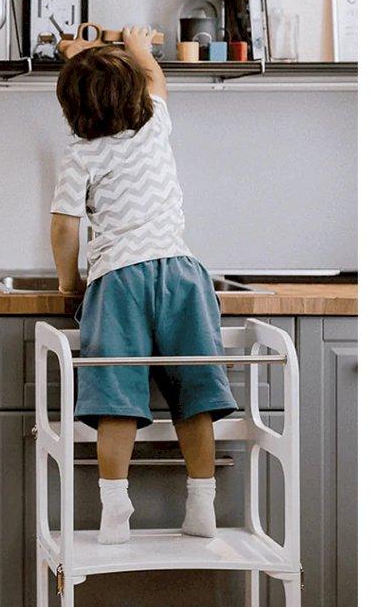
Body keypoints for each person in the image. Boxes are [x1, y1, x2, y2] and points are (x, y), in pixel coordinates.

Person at [49, 27, 237, 544]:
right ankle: (202, 506)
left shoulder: (79, 153)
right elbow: (154, 76)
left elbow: (65, 227)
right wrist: (134, 45)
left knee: (116, 398)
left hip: (119, 281)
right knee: (195, 395)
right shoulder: (154, 122)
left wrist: (71, 283)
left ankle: (114, 509)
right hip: (181, 274)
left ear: (71, 110)